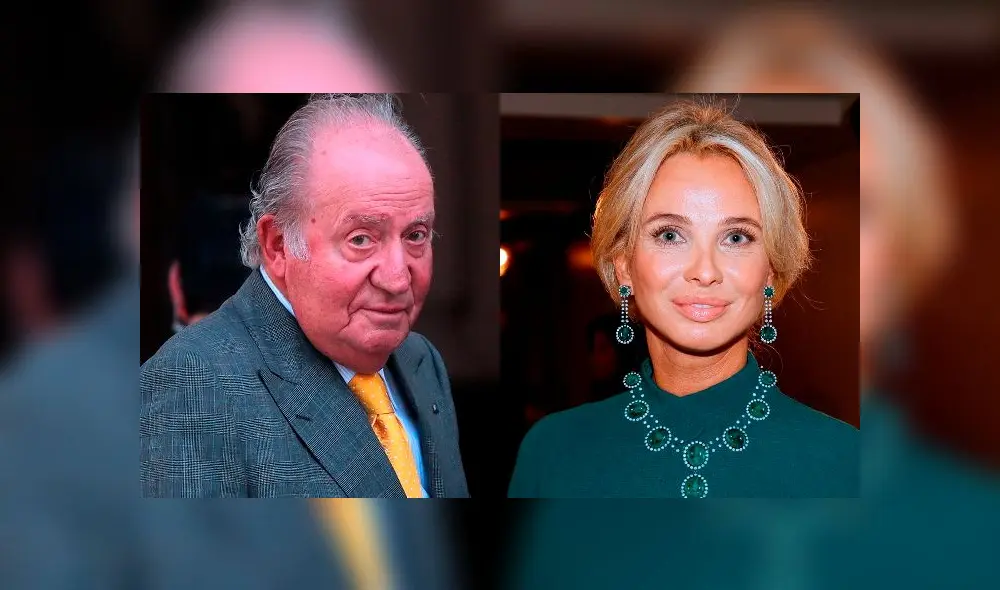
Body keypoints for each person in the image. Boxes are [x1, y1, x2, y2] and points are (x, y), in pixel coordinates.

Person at [508, 99, 858, 498]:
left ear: (771, 269)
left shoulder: (844, 461)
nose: (704, 271)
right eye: (670, 235)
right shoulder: (552, 452)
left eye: (736, 237)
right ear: (623, 265)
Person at [141, 93, 469, 498]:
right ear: (278, 246)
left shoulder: (421, 361)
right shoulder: (194, 381)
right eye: (361, 239)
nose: (398, 278)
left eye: (416, 236)